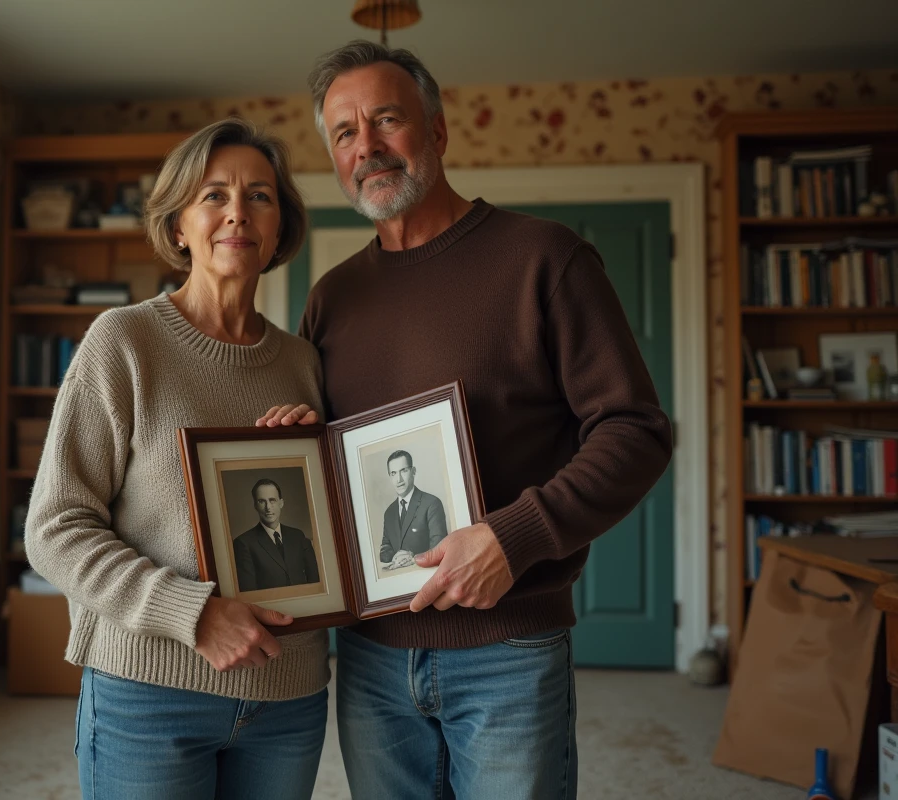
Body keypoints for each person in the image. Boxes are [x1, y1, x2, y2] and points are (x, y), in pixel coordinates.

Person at [259, 41, 672, 799]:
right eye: (345, 133)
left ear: (439, 131)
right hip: (369, 655)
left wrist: (511, 538)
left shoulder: (544, 259)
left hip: (508, 646)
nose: (367, 147)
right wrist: (291, 446)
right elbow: (337, 470)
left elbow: (636, 431)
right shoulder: (332, 297)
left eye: (387, 120)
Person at [25, 118, 328, 800]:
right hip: (149, 694)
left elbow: (323, 537)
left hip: (289, 695)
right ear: (178, 224)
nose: (237, 213)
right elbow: (53, 529)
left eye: (260, 196)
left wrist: (319, 460)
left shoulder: (305, 364)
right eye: (213, 195)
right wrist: (193, 614)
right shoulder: (123, 342)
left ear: (279, 228)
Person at [234, 478, 320, 591]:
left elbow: (315, 580)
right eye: (261, 501)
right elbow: (249, 591)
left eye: (272, 500)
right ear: (255, 505)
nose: (268, 507)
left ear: (281, 503)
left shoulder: (297, 536)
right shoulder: (243, 543)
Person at [379, 450, 446, 571]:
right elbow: (384, 551)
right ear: (390, 477)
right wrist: (396, 557)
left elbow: (439, 549)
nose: (398, 479)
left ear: (413, 471)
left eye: (403, 471)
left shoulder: (432, 503)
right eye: (393, 473)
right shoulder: (389, 512)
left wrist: (413, 557)